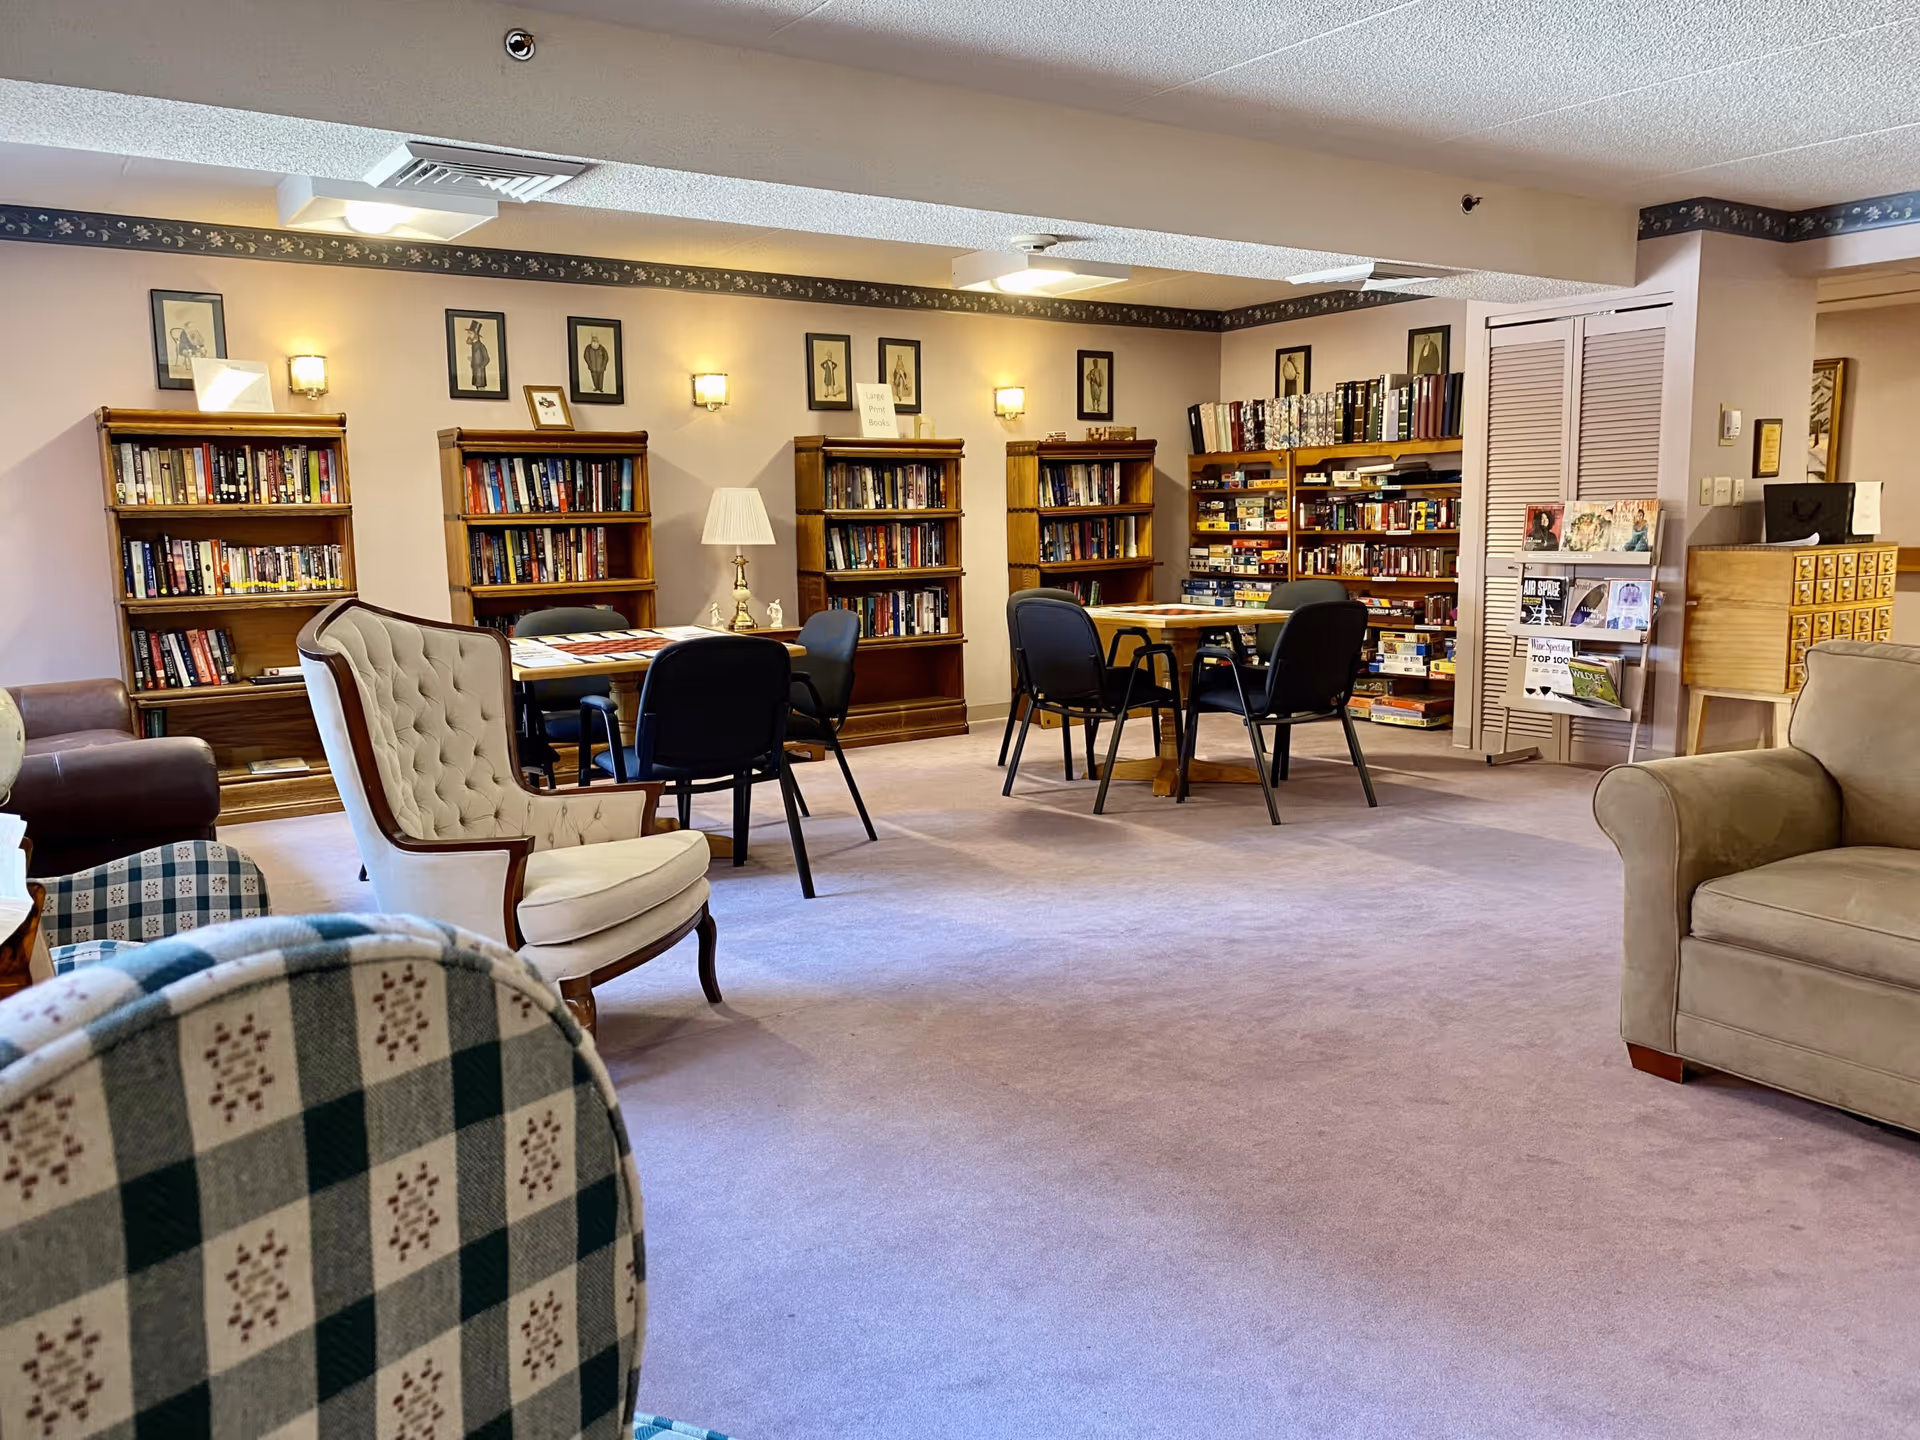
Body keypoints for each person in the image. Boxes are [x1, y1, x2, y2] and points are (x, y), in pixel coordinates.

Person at [465, 320, 491, 390]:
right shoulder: (474, 345)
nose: (469, 335)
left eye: (470, 333)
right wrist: (472, 359)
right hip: (475, 371)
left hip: (480, 373)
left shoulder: (481, 346)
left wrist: (480, 366)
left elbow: (486, 359)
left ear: (475, 334)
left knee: (481, 389)